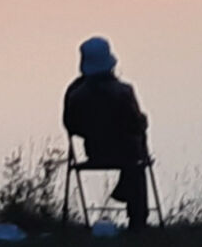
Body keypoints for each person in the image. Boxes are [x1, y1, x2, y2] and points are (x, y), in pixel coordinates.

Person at [62, 36, 150, 229]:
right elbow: (135, 124)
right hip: (125, 154)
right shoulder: (123, 91)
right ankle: (137, 219)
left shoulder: (75, 93)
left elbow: (70, 125)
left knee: (134, 152)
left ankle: (124, 191)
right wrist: (143, 121)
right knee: (137, 155)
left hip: (95, 152)